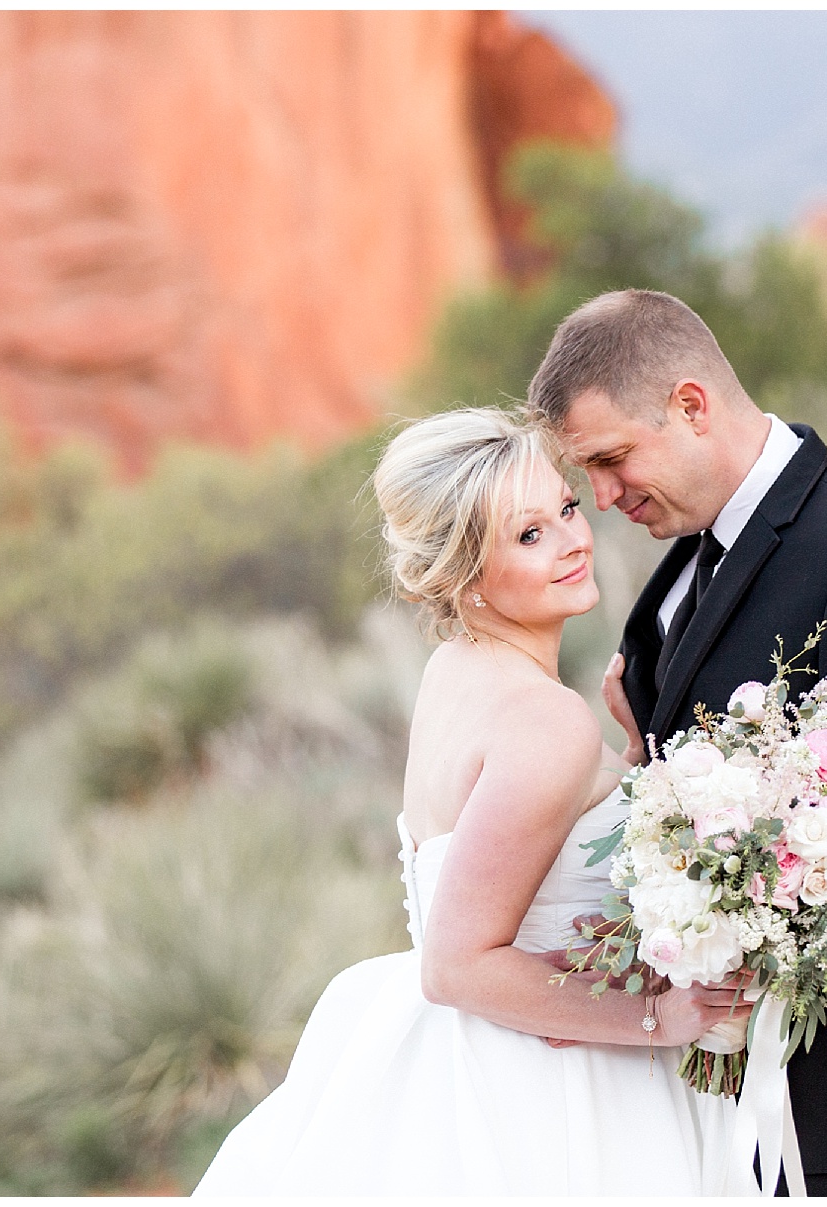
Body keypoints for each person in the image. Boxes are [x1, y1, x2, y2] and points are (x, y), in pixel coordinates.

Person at [528, 289, 827, 1197]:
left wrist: (727, 921)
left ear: (691, 405)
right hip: (719, 1090)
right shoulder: (695, 550)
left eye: (612, 457)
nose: (602, 497)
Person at [193, 408, 740, 1196]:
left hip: (454, 1062)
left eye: (566, 510)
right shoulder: (544, 718)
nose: (572, 540)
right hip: (548, 1093)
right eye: (527, 536)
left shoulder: (455, 670)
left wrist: (625, 767)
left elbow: (526, 847)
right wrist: (660, 1018)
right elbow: (455, 963)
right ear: (461, 574)